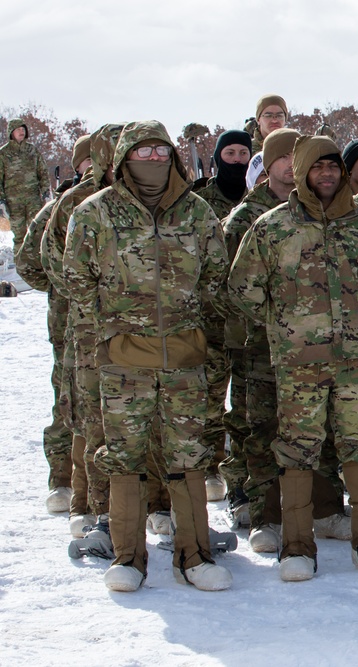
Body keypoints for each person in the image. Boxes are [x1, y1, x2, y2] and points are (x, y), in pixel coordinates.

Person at [63, 120, 231, 592]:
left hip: (183, 359)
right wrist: (116, 322)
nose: (153, 160)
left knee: (188, 457)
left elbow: (216, 275)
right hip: (124, 362)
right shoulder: (95, 213)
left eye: (162, 152)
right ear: (123, 158)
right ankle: (128, 559)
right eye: (144, 152)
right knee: (125, 458)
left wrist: (188, 318)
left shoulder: (196, 214)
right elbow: (75, 278)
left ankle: (193, 556)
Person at [228, 135, 358, 580]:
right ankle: (297, 547)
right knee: (297, 450)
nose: (326, 174)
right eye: (316, 167)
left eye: (333, 166)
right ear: (302, 172)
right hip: (300, 362)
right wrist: (287, 322)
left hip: (357, 360)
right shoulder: (272, 227)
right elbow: (243, 287)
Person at [42, 125, 124, 544]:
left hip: (138, 331)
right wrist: (89, 299)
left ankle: (144, 506)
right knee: (91, 418)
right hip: (90, 330)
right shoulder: (76, 203)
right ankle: (92, 506)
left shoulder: (152, 200)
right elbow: (49, 262)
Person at [16, 134, 89, 517]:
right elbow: (29, 261)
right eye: (89, 160)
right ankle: (62, 479)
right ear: (78, 166)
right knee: (67, 394)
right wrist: (65, 289)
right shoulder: (61, 205)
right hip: (67, 318)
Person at [194, 129, 254, 502]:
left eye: (242, 153)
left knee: (246, 400)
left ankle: (239, 468)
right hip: (209, 318)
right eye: (229, 153)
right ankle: (209, 465)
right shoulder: (198, 202)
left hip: (248, 321)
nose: (236, 159)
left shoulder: (258, 198)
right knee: (209, 397)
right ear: (217, 159)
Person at [0, 118, 50, 252]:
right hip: (14, 202)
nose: (21, 131)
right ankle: (20, 264)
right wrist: (1, 200)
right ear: (11, 132)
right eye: (18, 129)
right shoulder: (3, 154)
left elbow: (43, 173)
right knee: (19, 236)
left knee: (38, 232)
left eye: (23, 129)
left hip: (33, 200)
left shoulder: (32, 151)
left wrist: (46, 192)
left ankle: (38, 264)